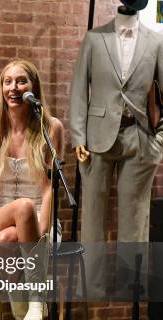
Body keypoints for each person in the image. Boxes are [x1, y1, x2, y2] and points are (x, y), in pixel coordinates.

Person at [69, 0, 163, 299]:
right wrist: (78, 137)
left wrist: (159, 139)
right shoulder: (94, 38)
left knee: (135, 217)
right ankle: (91, 288)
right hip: (96, 139)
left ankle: (129, 289)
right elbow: (78, 90)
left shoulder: (157, 41)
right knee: (93, 216)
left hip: (139, 138)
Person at [0, 59, 64, 320]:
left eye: (21, 81)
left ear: (33, 87)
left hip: (39, 219)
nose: (13, 88)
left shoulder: (51, 128)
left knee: (9, 239)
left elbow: (49, 188)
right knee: (16, 215)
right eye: (7, 81)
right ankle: (37, 300)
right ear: (1, 88)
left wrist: (43, 228)